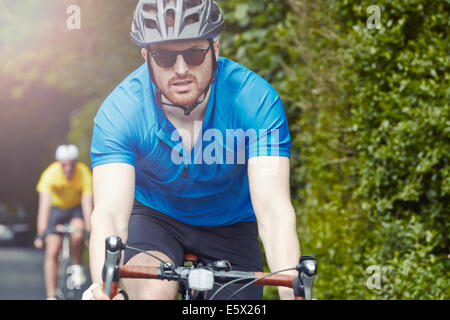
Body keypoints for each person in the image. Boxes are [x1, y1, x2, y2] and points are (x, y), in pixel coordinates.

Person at [87, 0, 301, 300]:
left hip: (230, 222)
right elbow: (109, 214)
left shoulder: (254, 100)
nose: (181, 69)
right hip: (155, 217)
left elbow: (274, 212)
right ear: (146, 57)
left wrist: (293, 291)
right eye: (164, 57)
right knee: (151, 289)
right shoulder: (122, 110)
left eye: (194, 53)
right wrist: (104, 287)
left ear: (215, 50)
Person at [34, 144, 93, 300]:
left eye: (71, 164)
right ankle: (51, 295)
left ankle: (77, 266)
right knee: (52, 248)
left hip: (75, 209)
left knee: (78, 233)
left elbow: (87, 206)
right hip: (56, 209)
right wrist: (41, 234)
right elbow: (44, 208)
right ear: (59, 163)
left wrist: (89, 233)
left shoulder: (83, 173)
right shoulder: (50, 174)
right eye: (64, 165)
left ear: (76, 163)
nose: (68, 168)